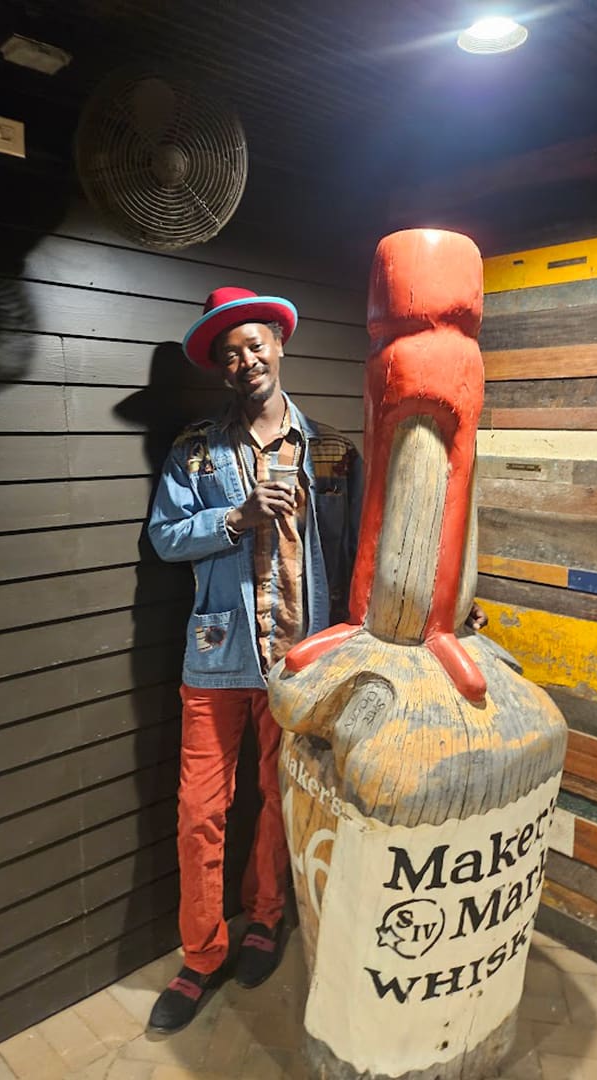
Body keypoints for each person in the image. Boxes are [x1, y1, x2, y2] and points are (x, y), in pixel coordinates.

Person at [146, 287, 364, 1032]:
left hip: (301, 663)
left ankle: (267, 919)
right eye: (230, 353)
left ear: (280, 342)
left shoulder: (333, 451)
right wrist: (233, 518)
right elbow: (166, 538)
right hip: (216, 658)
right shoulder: (194, 450)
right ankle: (201, 954)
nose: (245, 360)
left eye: (254, 343)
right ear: (222, 367)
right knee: (200, 811)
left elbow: (357, 550)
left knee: (283, 799)